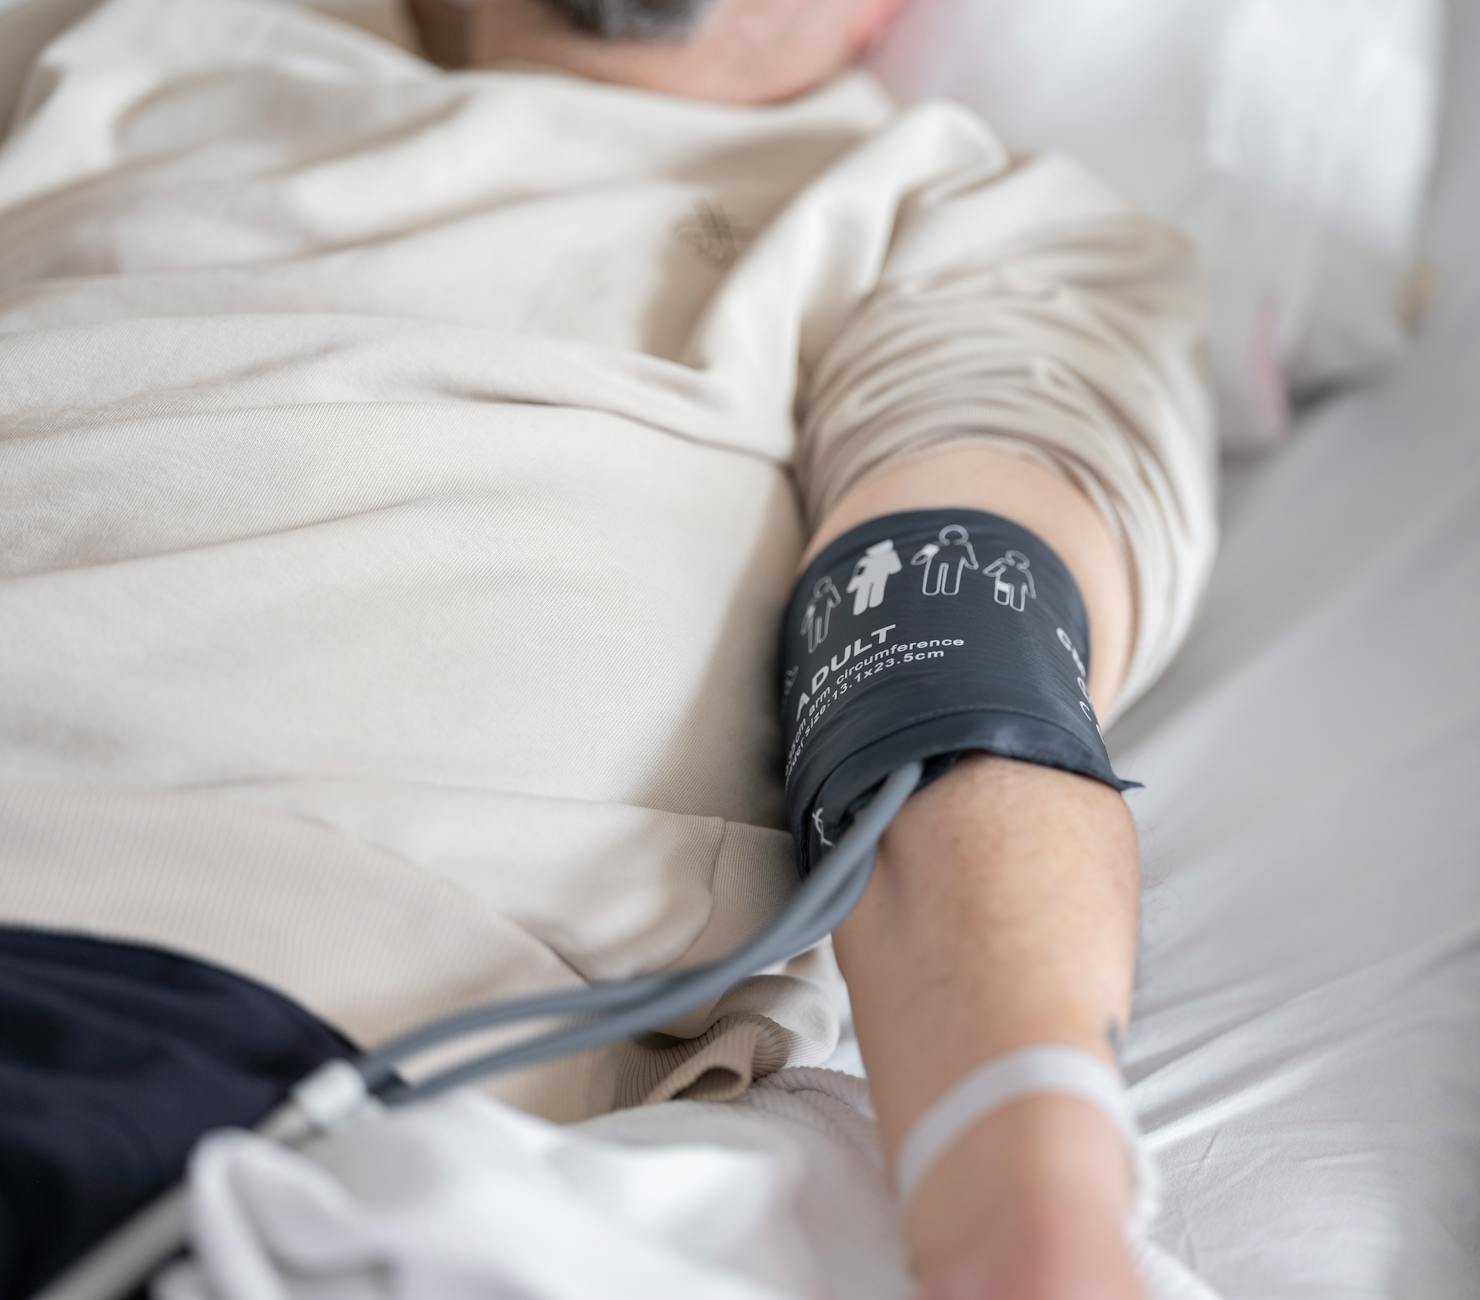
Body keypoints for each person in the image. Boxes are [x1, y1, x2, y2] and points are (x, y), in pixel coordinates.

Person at [0, 0, 1217, 1297]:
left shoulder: (948, 216)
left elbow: (947, 676)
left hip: (195, 997)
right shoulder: (103, 37)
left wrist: (1029, 1223)